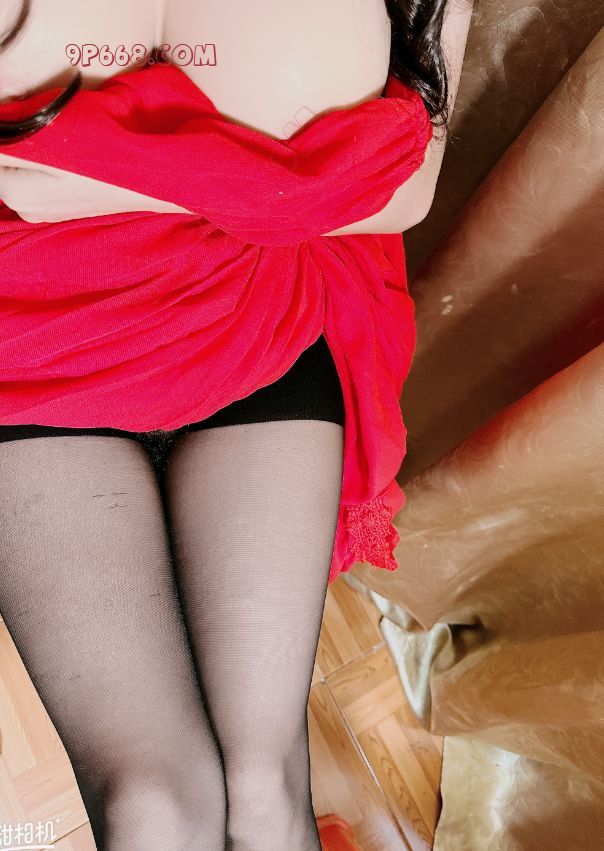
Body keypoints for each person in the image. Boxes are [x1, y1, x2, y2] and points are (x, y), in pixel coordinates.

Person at [0, 1, 474, 849]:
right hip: (30, 339)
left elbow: (408, 187)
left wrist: (79, 173)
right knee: (153, 802)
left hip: (254, 319)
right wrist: (274, 184)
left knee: (261, 784)